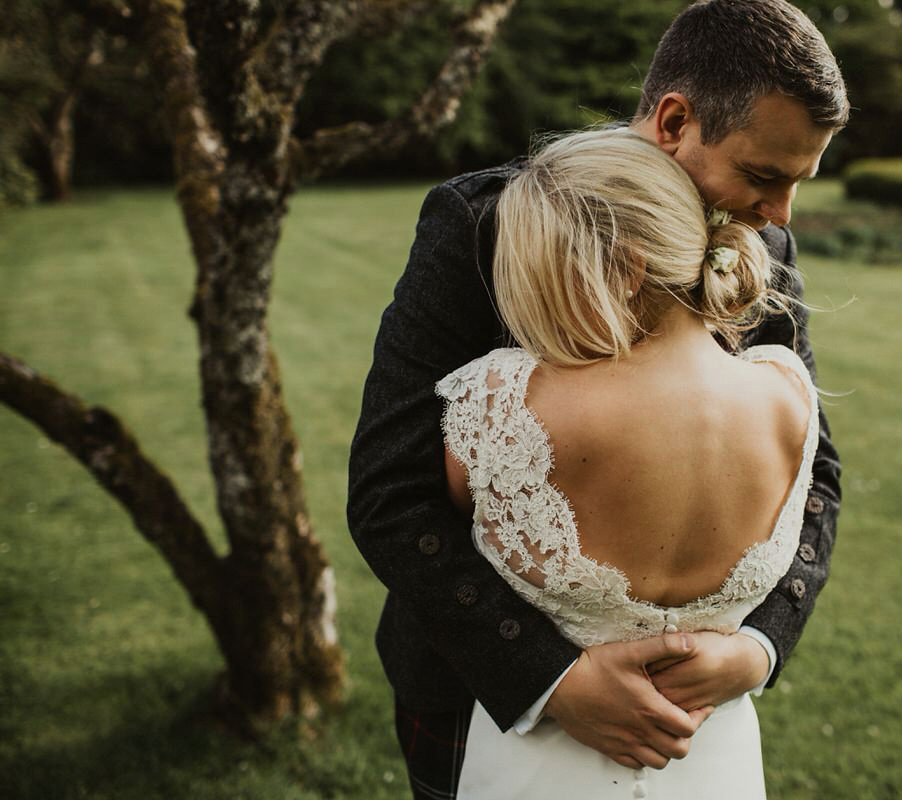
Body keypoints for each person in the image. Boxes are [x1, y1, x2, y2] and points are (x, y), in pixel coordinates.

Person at [347, 1, 847, 797]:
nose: (780, 215)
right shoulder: (485, 223)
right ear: (676, 119)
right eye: (763, 175)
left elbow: (814, 476)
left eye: (797, 181)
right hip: (476, 690)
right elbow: (389, 491)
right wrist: (549, 679)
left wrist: (759, 647)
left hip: (696, 728)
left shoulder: (768, 247)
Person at [444, 127, 822, 799]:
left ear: (623, 269)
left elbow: (433, 512)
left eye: (543, 272)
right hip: (710, 756)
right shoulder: (786, 392)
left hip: (540, 766)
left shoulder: (499, 403)